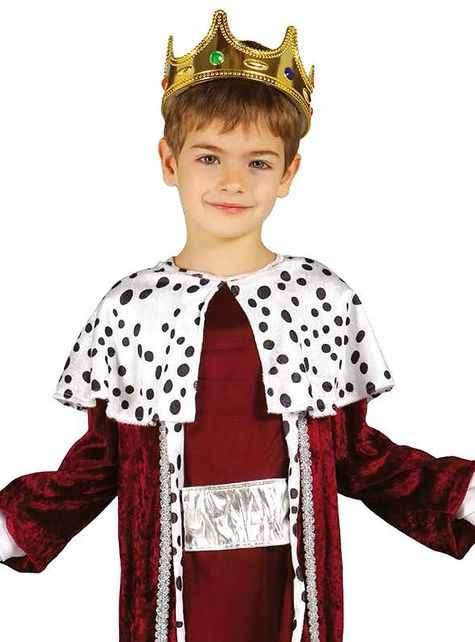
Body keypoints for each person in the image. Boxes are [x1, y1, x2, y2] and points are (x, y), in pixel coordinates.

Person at [1, 8, 474, 642]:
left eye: (257, 162)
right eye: (209, 157)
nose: (231, 182)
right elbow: (102, 460)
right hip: (173, 592)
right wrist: (15, 525)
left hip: (286, 587)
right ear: (169, 162)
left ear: (288, 173)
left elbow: (356, 454)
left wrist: (458, 493)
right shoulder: (131, 307)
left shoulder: (320, 298)